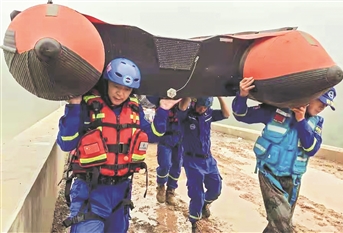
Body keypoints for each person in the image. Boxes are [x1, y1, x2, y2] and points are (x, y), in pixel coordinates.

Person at [56, 57, 181, 233]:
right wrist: (74, 106)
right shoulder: (88, 106)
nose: (120, 93)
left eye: (126, 89)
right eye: (116, 86)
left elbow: (153, 135)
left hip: (121, 193)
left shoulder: (134, 110)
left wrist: (163, 109)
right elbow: (66, 143)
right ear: (107, 82)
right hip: (91, 192)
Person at [231, 77, 337, 233]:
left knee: (277, 226)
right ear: (309, 95)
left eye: (326, 104)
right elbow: (242, 115)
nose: (323, 106)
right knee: (283, 226)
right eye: (320, 101)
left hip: (293, 180)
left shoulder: (317, 122)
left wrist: (301, 120)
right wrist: (242, 95)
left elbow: (312, 148)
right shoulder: (276, 109)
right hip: (270, 174)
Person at [177, 96, 230, 233]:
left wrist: (220, 96)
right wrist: (189, 92)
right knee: (196, 195)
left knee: (216, 189)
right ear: (194, 103)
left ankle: (206, 203)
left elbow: (226, 114)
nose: (202, 109)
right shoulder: (186, 115)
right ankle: (195, 223)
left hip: (208, 160)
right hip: (192, 161)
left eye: (205, 107)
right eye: (200, 106)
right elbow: (182, 107)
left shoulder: (209, 114)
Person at [145, 96, 183, 206]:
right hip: (165, 136)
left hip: (180, 136)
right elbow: (150, 96)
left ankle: (171, 191)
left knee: (177, 166)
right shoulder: (160, 97)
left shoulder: (185, 96)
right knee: (165, 164)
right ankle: (161, 186)